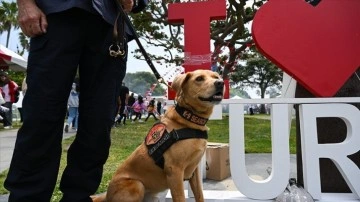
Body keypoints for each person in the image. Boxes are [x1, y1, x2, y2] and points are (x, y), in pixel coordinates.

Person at [4, 0, 148, 201]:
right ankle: (28, 196)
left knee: (99, 122)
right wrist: (25, 3)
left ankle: (78, 196)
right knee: (41, 115)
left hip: (110, 25)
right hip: (56, 16)